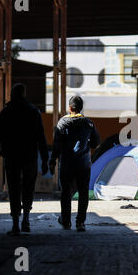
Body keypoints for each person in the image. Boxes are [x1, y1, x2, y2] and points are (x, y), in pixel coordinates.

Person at [0, 83, 49, 235]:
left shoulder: (6, 112)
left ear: (12, 94)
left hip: (11, 156)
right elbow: (41, 137)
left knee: (14, 188)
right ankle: (26, 221)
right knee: (28, 187)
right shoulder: (33, 112)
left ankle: (16, 224)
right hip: (29, 156)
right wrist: (44, 159)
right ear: (24, 94)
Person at [49, 95, 100, 232]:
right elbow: (96, 143)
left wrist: (52, 161)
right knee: (83, 193)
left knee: (65, 192)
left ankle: (66, 222)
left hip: (67, 164)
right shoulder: (89, 123)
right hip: (83, 164)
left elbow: (56, 145)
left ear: (70, 108)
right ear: (81, 108)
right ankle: (80, 223)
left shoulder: (62, 123)